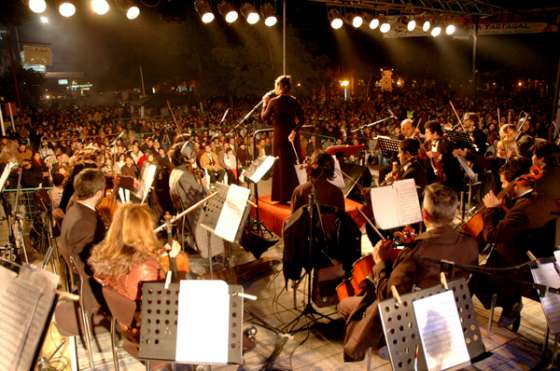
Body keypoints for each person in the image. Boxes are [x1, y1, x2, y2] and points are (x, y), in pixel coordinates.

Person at [339, 183, 478, 361]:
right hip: (447, 314)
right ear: (453, 213)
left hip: (410, 320)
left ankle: (388, 343)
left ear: (424, 215)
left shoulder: (415, 253)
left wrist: (380, 263)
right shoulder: (471, 244)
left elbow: (389, 297)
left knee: (344, 305)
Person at [471, 159, 558, 330]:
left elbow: (492, 236)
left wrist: (490, 209)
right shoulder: (542, 199)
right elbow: (522, 225)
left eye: (504, 182)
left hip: (520, 268)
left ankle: (510, 304)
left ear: (516, 184)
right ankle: (510, 302)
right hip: (538, 258)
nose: (503, 187)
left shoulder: (521, 209)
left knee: (474, 277)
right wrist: (502, 208)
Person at [59, 168, 107, 311]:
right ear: (99, 193)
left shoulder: (74, 209)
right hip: (93, 295)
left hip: (86, 283)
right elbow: (92, 265)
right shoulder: (85, 222)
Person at [261, 75, 305, 204]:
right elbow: (302, 119)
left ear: (281, 87)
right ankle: (295, 195)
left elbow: (264, 117)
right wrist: (294, 131)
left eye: (276, 85)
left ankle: (281, 196)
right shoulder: (294, 100)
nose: (275, 88)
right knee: (292, 165)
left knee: (281, 166)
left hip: (279, 137)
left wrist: (264, 103)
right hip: (291, 137)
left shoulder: (273, 101)